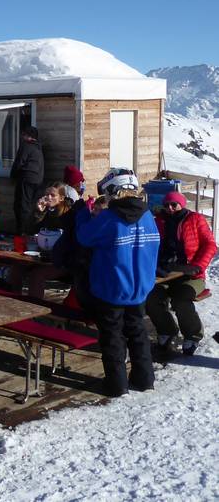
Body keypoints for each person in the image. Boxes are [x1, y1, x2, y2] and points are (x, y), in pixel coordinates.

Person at [75, 168, 158, 396]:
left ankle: (117, 384)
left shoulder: (109, 218)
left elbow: (84, 236)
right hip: (140, 287)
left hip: (111, 288)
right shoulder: (148, 216)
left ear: (113, 191)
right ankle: (144, 379)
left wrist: (82, 213)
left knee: (112, 336)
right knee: (138, 332)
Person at [146, 191, 216, 357]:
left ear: (182, 204)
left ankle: (192, 335)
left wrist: (198, 266)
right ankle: (167, 329)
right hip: (166, 271)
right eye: (167, 205)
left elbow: (210, 244)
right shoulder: (159, 221)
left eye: (174, 204)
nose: (170, 208)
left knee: (181, 297)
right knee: (150, 296)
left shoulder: (195, 219)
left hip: (191, 273)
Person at [7, 183, 74, 298]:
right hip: (43, 256)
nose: (48, 197)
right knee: (17, 268)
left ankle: (34, 306)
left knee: (37, 275)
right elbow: (29, 230)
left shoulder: (68, 214)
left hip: (61, 261)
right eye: (47, 194)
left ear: (61, 198)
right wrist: (38, 212)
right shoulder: (46, 211)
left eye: (53, 195)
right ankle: (13, 299)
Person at [10, 126, 44, 235]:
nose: (22, 137)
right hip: (38, 180)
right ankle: (32, 231)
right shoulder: (38, 147)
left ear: (29, 136)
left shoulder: (26, 146)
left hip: (27, 178)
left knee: (22, 206)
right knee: (33, 206)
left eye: (24, 134)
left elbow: (19, 162)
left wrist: (12, 176)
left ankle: (22, 232)